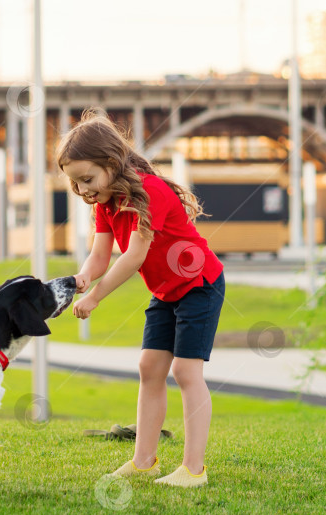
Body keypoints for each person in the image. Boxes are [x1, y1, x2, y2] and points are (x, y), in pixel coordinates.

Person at [58, 110, 225, 488]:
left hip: (200, 284)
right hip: (166, 292)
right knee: (150, 368)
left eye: (88, 179)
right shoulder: (105, 204)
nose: (83, 190)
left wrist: (97, 296)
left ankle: (193, 470)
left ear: (113, 164)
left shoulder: (149, 194)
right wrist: (83, 278)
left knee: (185, 372)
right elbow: (100, 256)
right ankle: (143, 461)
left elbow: (133, 256)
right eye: (75, 183)